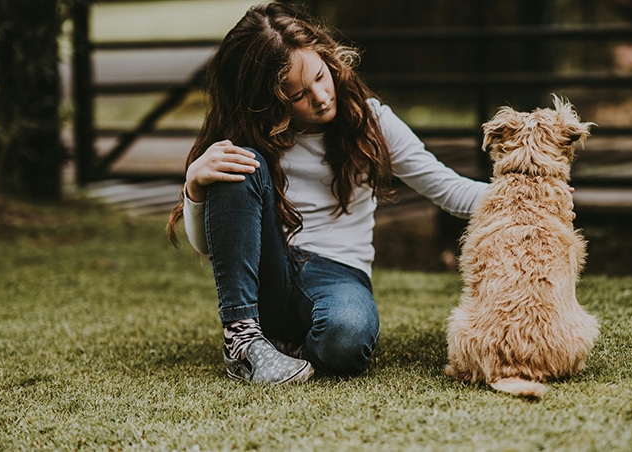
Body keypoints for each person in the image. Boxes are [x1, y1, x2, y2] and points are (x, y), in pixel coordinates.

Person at [166, 2, 572, 384]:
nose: (321, 97)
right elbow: (209, 249)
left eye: (320, 77)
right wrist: (195, 187)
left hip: (338, 272)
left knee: (347, 340)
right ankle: (243, 341)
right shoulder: (244, 141)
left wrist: (532, 199)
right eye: (297, 95)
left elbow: (447, 188)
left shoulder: (371, 121)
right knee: (239, 161)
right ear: (265, 102)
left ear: (328, 57)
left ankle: (285, 350)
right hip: (267, 272)